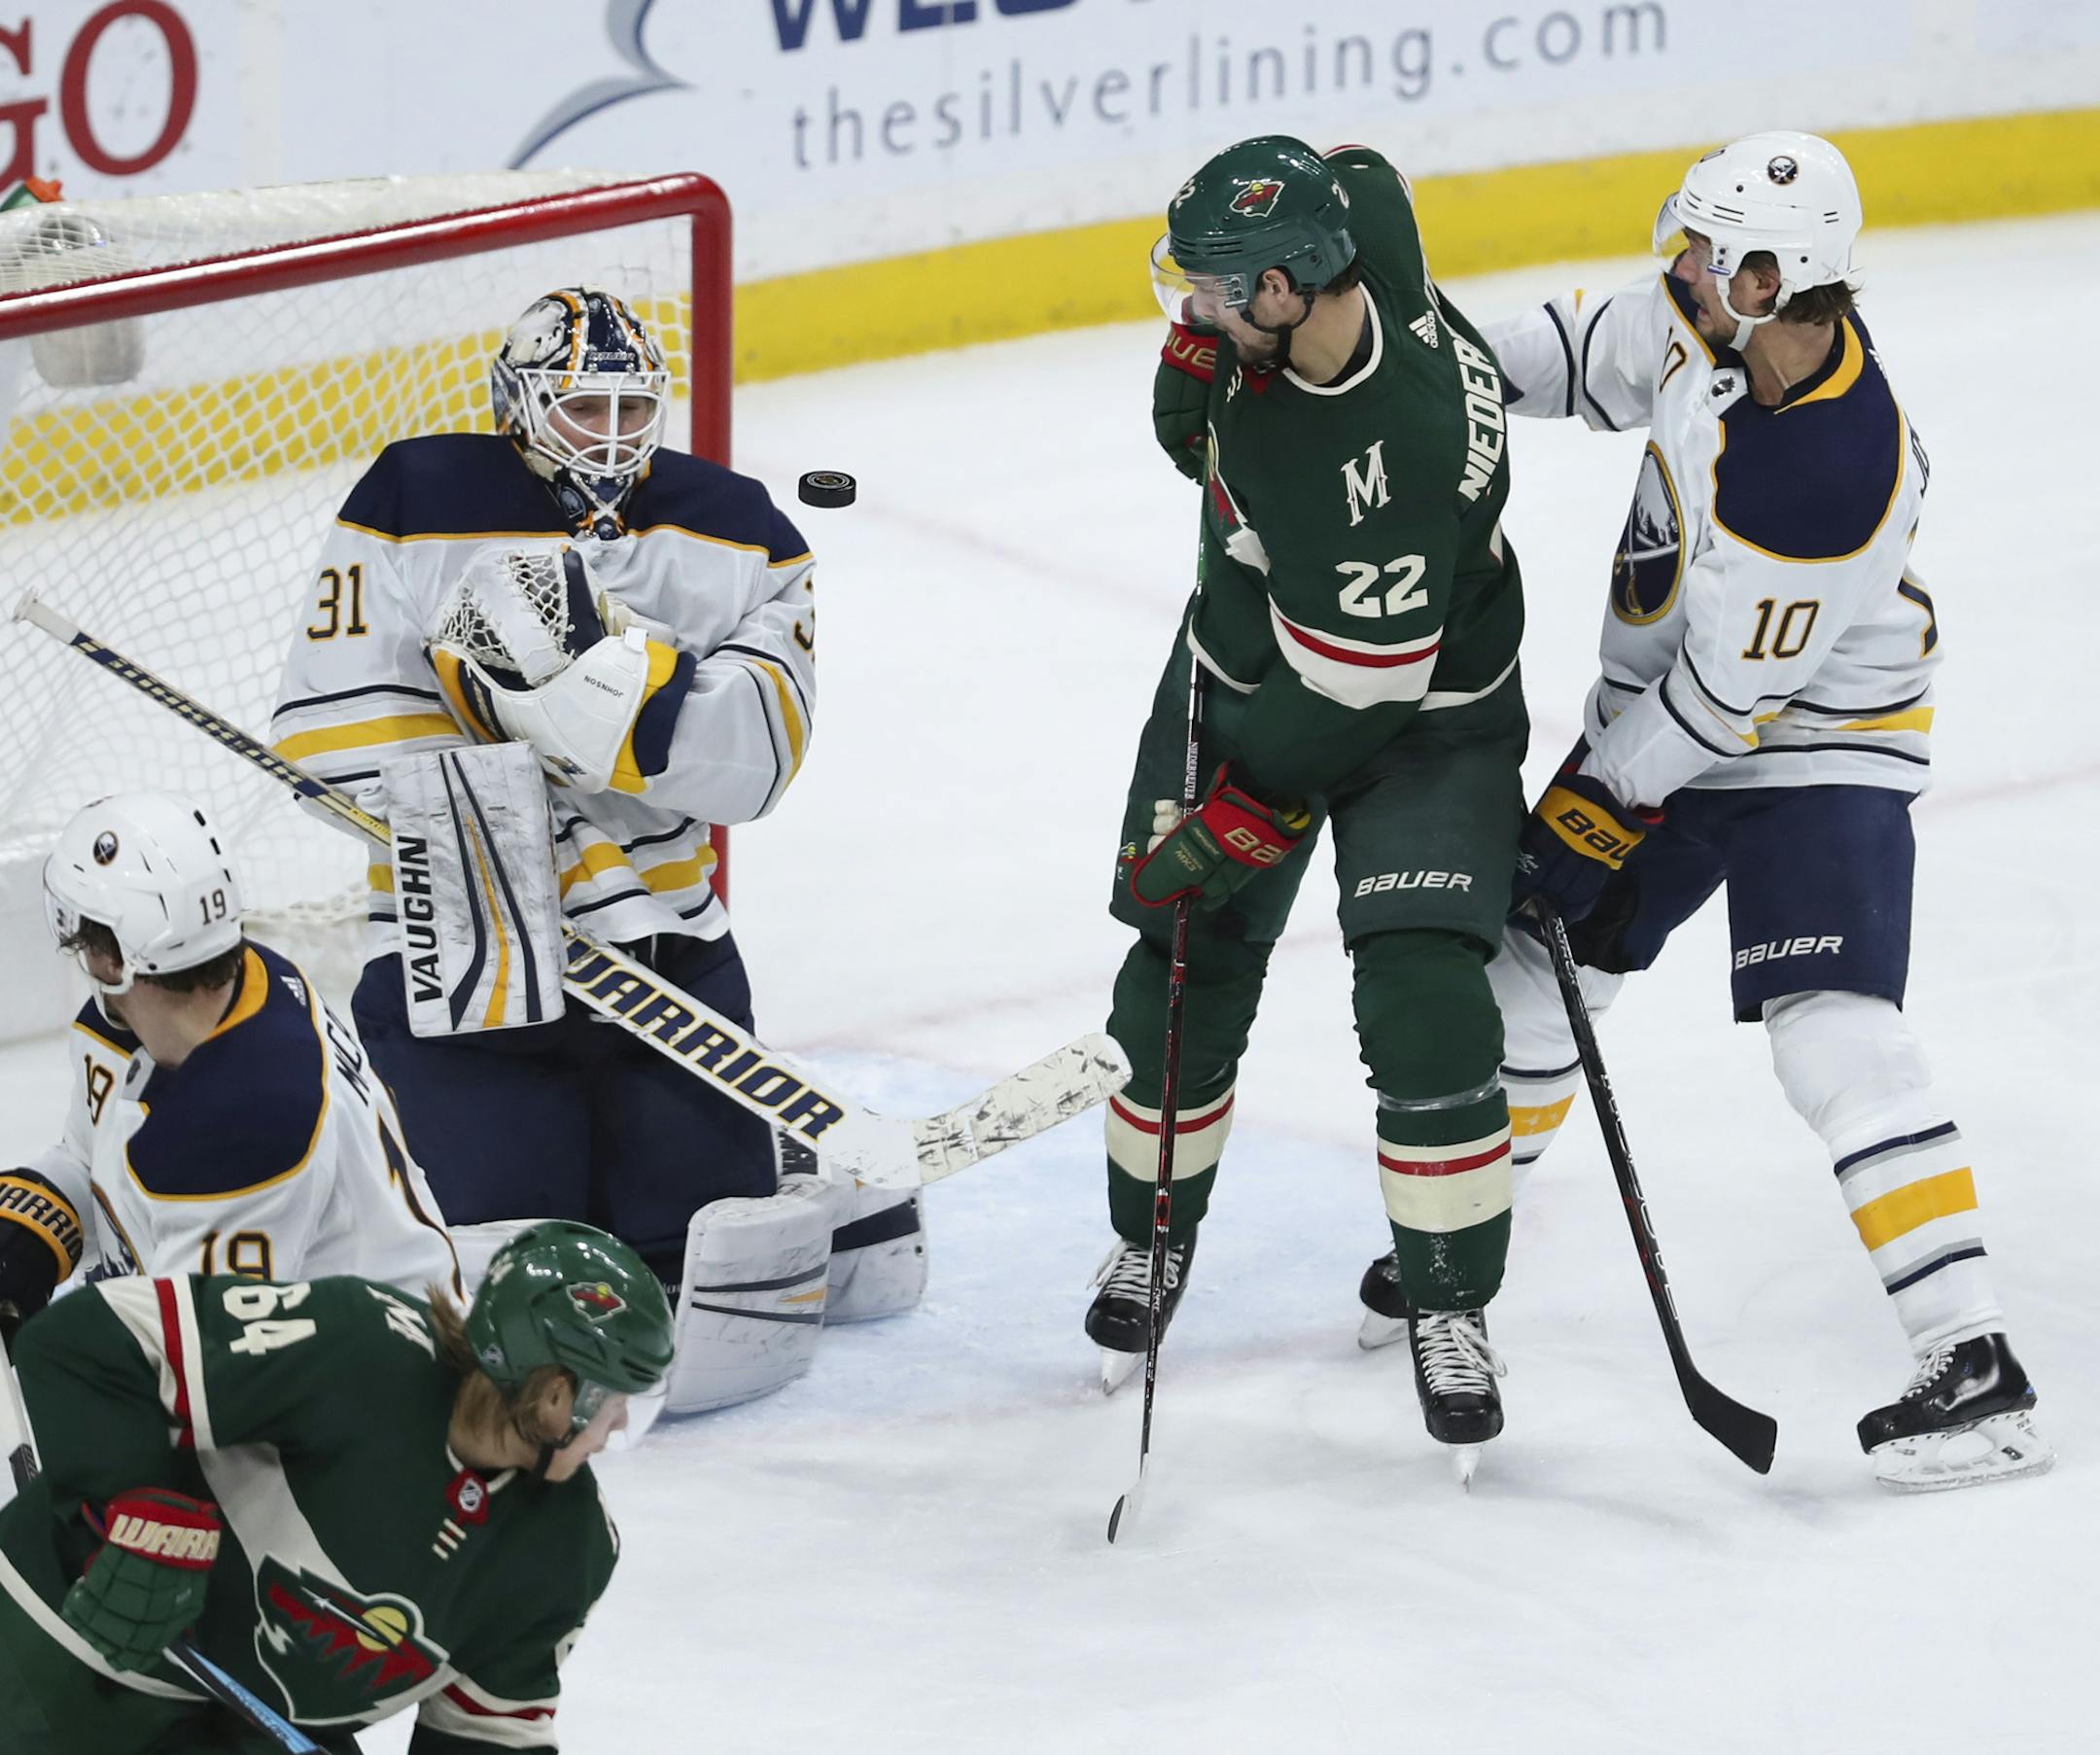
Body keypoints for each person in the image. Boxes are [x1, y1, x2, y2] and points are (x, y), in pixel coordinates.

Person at [1359, 130, 2049, 1490]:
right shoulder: (1701, 317)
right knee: (1537, 976)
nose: (1677, 266)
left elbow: (1732, 705)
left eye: (1705, 251)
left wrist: (1598, 812)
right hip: (1663, 720)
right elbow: (1564, 352)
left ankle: (1976, 1362)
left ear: (1773, 276)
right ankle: (1462, 1241)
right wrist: (1410, 381)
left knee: (1831, 1033)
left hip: (1820, 743)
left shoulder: (1828, 471)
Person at [268, 286, 924, 1415]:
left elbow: (761, 757)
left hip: (665, 952)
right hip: (466, 961)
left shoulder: (739, 527)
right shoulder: (415, 496)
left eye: (632, 407)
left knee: (679, 1254)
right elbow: (325, 731)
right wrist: (525, 779)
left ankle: (807, 1190)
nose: (613, 435)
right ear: (519, 405)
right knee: (495, 1278)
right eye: (582, 409)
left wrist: (617, 709)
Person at [1094, 136, 1530, 1468]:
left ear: (1288, 289)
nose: (1200, 312)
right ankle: (1148, 1240)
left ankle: (1449, 1305)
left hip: (1420, 716)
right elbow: (1365, 164)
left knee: (1422, 991)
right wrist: (1200, 372)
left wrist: (1233, 818)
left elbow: (1358, 696)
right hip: (1254, 667)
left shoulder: (1360, 462)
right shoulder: (1366, 237)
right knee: (1177, 963)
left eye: (1223, 295)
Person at [0, 1219, 672, 1752]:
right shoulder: (356, 1343)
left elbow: (487, 1729)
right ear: (554, 1394)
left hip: (242, 1727)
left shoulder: (571, 1547)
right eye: (613, 1400)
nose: (615, 1427)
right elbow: (85, 1340)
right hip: (55, 1645)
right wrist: (143, 1508)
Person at [0, 790, 459, 1344]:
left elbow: (200, 1365)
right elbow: (89, 1159)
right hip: (265, 1334)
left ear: (112, 958)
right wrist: (27, 1231)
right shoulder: (229, 987)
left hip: (370, 1376)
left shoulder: (246, 1121)